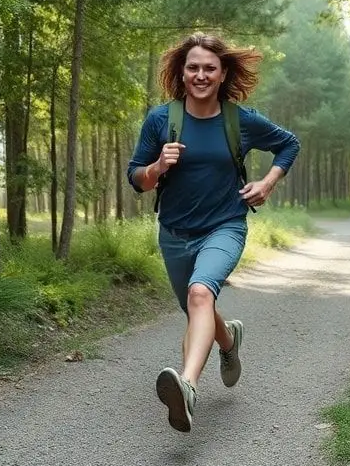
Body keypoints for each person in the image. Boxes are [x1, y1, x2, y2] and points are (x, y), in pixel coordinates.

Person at [126, 32, 300, 433]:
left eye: (209, 68)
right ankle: (228, 341)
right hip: (174, 232)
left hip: (225, 225)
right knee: (195, 308)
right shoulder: (161, 119)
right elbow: (136, 179)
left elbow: (289, 145)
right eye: (193, 67)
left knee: (200, 293)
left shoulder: (240, 120)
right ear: (181, 73)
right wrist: (156, 167)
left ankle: (187, 387)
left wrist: (267, 183)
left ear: (222, 74)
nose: (200, 75)